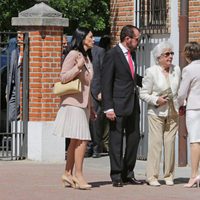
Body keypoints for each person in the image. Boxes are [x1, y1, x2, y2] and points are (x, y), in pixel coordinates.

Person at [101, 25, 143, 187]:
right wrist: (108, 107)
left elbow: (132, 77)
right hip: (117, 105)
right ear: (127, 39)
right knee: (116, 141)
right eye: (136, 39)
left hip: (133, 104)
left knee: (134, 138)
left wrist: (150, 80)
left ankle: (128, 172)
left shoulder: (132, 54)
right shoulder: (112, 55)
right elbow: (106, 82)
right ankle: (117, 175)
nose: (138, 42)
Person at [53, 27, 94, 190]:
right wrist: (78, 67)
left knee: (75, 140)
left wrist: (92, 107)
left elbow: (88, 85)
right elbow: (63, 77)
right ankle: (79, 175)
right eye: (90, 36)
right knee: (82, 138)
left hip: (84, 104)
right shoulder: (73, 55)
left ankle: (67, 173)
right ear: (82, 38)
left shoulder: (87, 57)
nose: (93, 39)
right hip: (73, 103)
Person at [140, 41, 181, 186]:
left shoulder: (177, 69)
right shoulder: (151, 72)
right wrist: (156, 99)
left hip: (173, 112)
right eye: (167, 54)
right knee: (156, 144)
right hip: (156, 113)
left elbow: (179, 91)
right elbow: (143, 94)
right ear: (159, 57)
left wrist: (182, 103)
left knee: (170, 144)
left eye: (172, 53)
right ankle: (152, 176)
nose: (170, 57)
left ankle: (169, 175)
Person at [177, 42, 200, 188]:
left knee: (195, 141)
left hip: (194, 108)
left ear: (187, 55)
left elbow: (181, 93)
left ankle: (193, 175)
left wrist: (180, 104)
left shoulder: (188, 69)